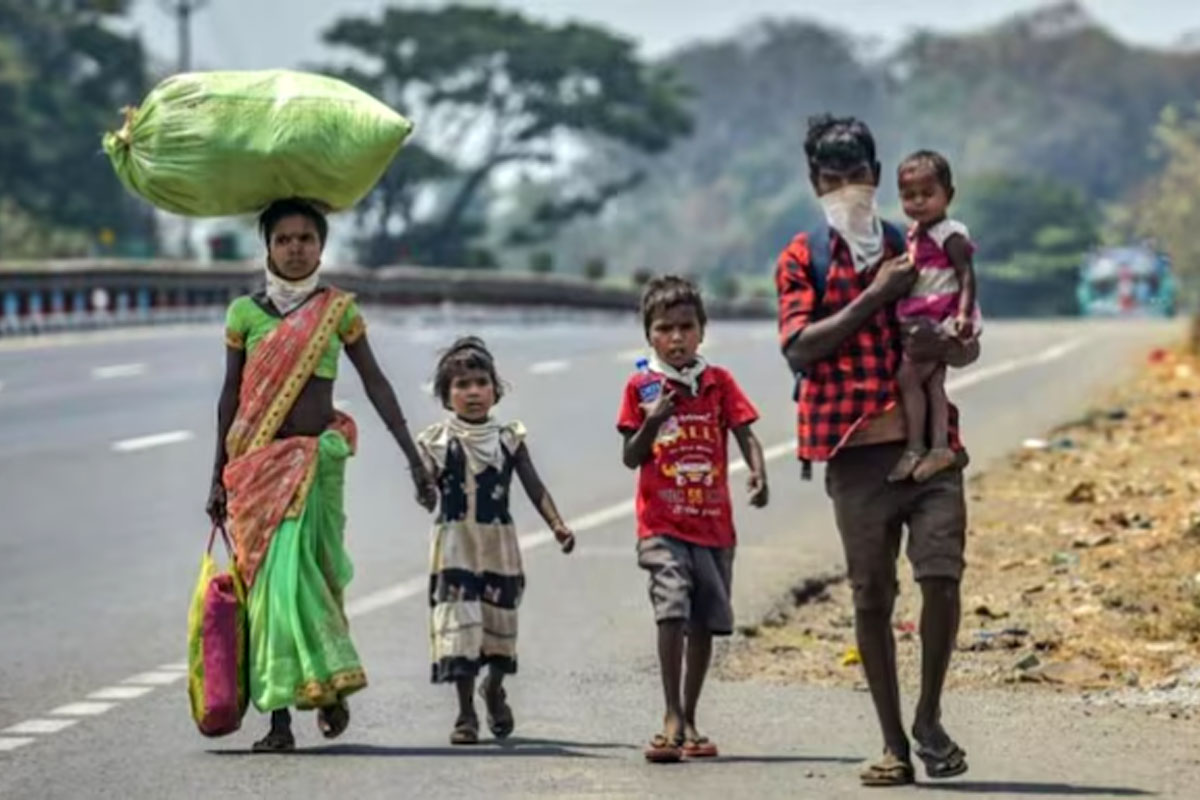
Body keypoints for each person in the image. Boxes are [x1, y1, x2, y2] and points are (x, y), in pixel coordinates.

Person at [775, 116, 980, 786]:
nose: (846, 191)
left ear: (875, 173)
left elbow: (959, 335)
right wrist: (874, 296)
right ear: (815, 183)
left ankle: (928, 717)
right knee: (871, 598)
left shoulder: (916, 243)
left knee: (941, 576)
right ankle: (895, 743)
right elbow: (800, 348)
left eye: (857, 177)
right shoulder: (802, 257)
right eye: (832, 181)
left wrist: (957, 345)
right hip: (854, 455)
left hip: (928, 448)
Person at [206, 197, 437, 752]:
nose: (294, 248)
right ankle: (280, 720)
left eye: (305, 238)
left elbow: (378, 385)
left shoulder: (338, 311)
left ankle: (327, 687)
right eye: (283, 239)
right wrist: (217, 475)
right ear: (267, 246)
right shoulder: (245, 314)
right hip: (256, 471)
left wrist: (413, 458)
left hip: (314, 466)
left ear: (322, 247)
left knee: (307, 583)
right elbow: (229, 398)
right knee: (270, 595)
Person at [617, 276, 768, 764]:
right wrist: (654, 419)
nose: (676, 338)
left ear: (702, 331)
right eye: (665, 329)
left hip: (713, 525)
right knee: (672, 608)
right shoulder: (640, 387)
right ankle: (669, 714)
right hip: (661, 522)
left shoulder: (718, 382)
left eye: (686, 327)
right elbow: (630, 455)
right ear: (649, 336)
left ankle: (691, 714)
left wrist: (758, 473)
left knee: (704, 619)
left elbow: (745, 433)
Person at [417, 337, 575, 746]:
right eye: (462, 385)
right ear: (447, 396)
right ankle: (466, 712)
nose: (472, 392)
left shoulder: (508, 439)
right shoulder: (438, 442)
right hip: (454, 544)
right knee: (460, 628)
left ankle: (495, 688)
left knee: (500, 623)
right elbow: (427, 490)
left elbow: (534, 485)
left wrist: (556, 524)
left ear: (495, 390)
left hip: (498, 546)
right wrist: (425, 487)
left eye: (481, 383)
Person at [888, 151, 980, 484]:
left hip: (941, 318)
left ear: (948, 195)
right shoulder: (914, 233)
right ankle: (939, 446)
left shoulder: (950, 234)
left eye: (927, 195)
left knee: (908, 378)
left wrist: (963, 315)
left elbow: (966, 275)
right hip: (921, 316)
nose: (918, 202)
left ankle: (917, 446)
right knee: (933, 382)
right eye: (909, 196)